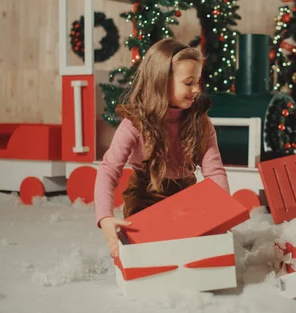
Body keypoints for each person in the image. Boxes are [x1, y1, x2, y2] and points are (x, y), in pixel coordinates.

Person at [94, 39, 230, 258]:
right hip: (145, 198)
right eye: (188, 82)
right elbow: (109, 169)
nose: (196, 89)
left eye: (197, 81)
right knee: (149, 254)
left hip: (186, 197)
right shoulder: (134, 124)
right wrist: (105, 217)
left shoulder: (200, 122)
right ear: (161, 82)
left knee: (200, 250)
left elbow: (214, 171)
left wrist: (223, 213)